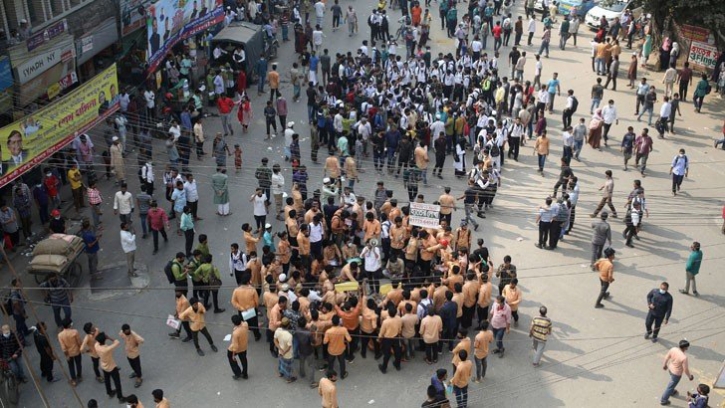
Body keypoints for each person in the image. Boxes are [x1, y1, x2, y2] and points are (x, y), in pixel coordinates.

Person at [94, 331, 126, 403]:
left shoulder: (96, 345)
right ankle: (120, 397)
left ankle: (109, 392)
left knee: (107, 379)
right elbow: (117, 342)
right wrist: (109, 338)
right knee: (117, 382)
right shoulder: (106, 349)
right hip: (111, 366)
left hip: (103, 365)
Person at [660, 340, 694, 405]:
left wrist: (664, 365)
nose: (687, 348)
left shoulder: (673, 349)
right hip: (676, 373)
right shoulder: (684, 357)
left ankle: (672, 392)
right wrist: (690, 377)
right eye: (687, 347)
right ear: (685, 348)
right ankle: (663, 400)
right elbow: (685, 369)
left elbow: (667, 357)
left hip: (670, 369)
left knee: (671, 384)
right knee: (670, 387)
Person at [58, 318, 83, 386]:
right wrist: (81, 349)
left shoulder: (60, 335)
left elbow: (63, 348)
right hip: (77, 351)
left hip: (69, 354)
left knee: (71, 366)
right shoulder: (75, 332)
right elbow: (79, 342)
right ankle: (79, 376)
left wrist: (67, 356)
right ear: (69, 325)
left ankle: (73, 380)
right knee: (78, 364)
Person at [119, 324, 144, 388]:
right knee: (132, 364)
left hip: (135, 353)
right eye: (126, 331)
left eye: (128, 330)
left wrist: (136, 343)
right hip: (128, 352)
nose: (127, 332)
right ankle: (135, 372)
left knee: (137, 366)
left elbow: (141, 340)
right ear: (124, 331)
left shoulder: (133, 334)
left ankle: (139, 377)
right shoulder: (122, 333)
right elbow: (120, 334)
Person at [228, 314, 249, 380]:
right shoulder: (245, 324)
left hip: (237, 348)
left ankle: (237, 373)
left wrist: (233, 355)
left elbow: (235, 345)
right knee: (244, 360)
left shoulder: (236, 333)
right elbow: (244, 322)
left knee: (231, 358)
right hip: (244, 346)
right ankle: (245, 374)